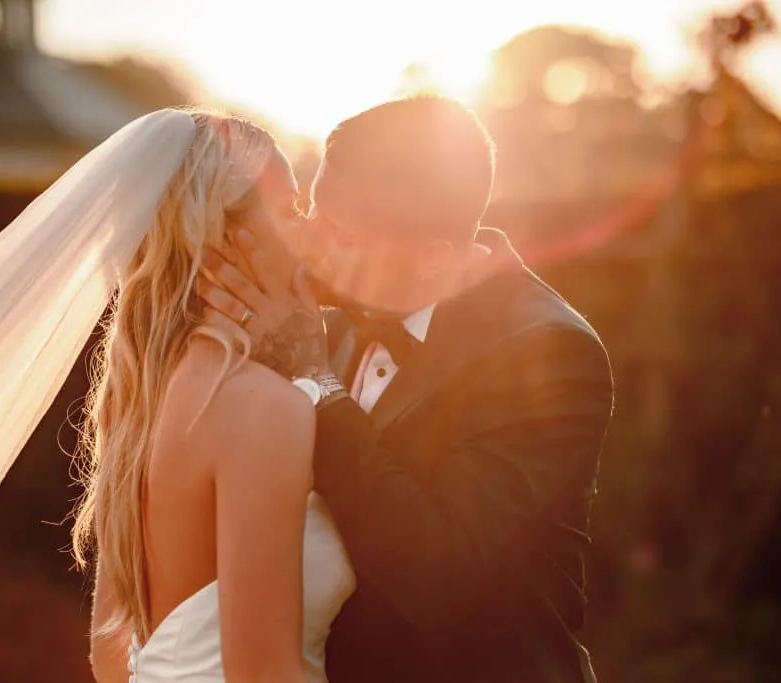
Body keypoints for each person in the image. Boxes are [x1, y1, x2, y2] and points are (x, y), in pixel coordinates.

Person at [0, 109, 353, 683]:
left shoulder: (143, 395)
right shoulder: (262, 408)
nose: (308, 232)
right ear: (224, 240)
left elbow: (111, 655)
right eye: (291, 211)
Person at [198, 96, 615, 683]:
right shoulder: (325, 313)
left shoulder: (549, 355)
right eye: (314, 211)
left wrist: (315, 378)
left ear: (431, 259)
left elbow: (436, 575)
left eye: (340, 234)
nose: (309, 241)